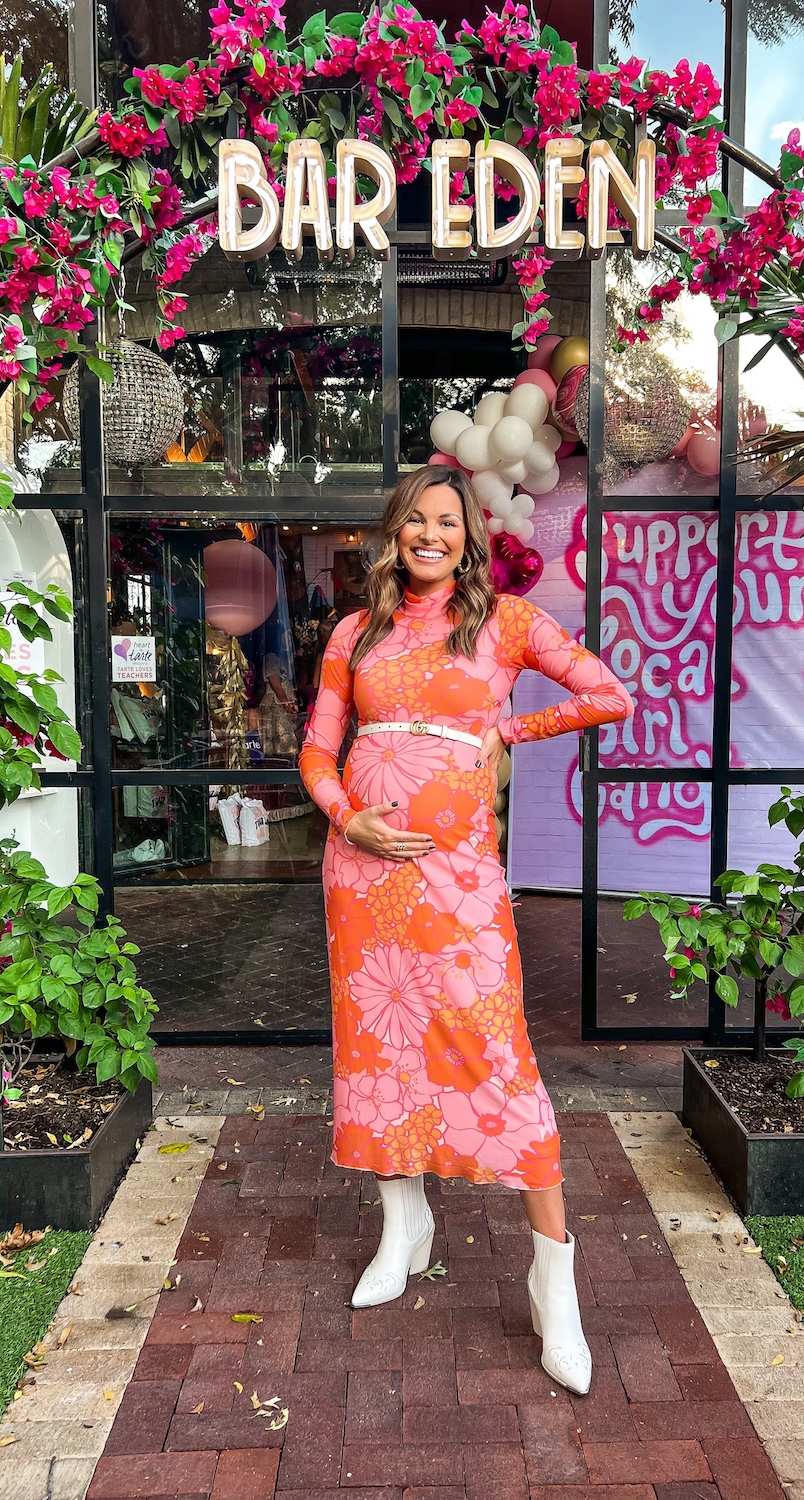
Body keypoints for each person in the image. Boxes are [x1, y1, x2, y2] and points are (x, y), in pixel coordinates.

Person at [298, 464, 634, 1396]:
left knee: (499, 1060)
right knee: (378, 1050)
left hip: (457, 882)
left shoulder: (508, 622)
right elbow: (317, 747)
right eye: (415, 521)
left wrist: (511, 736)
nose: (430, 535)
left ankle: (552, 1284)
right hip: (360, 875)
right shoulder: (352, 632)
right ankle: (402, 1227)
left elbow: (609, 695)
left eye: (446, 521)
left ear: (468, 535)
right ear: (393, 534)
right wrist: (343, 814)